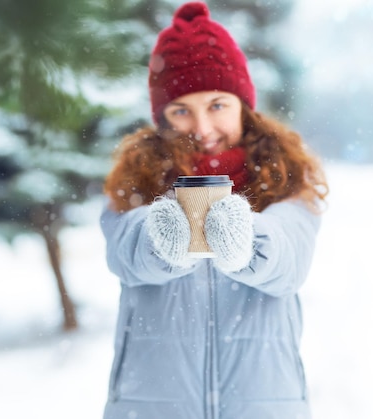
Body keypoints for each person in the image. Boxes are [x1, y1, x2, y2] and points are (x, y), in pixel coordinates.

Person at [100, 2, 328, 418]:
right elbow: (126, 249)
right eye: (181, 110)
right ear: (162, 117)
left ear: (243, 104)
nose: (202, 129)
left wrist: (249, 244)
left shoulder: (286, 180)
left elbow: (289, 255)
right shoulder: (136, 183)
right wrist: (162, 239)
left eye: (217, 104)